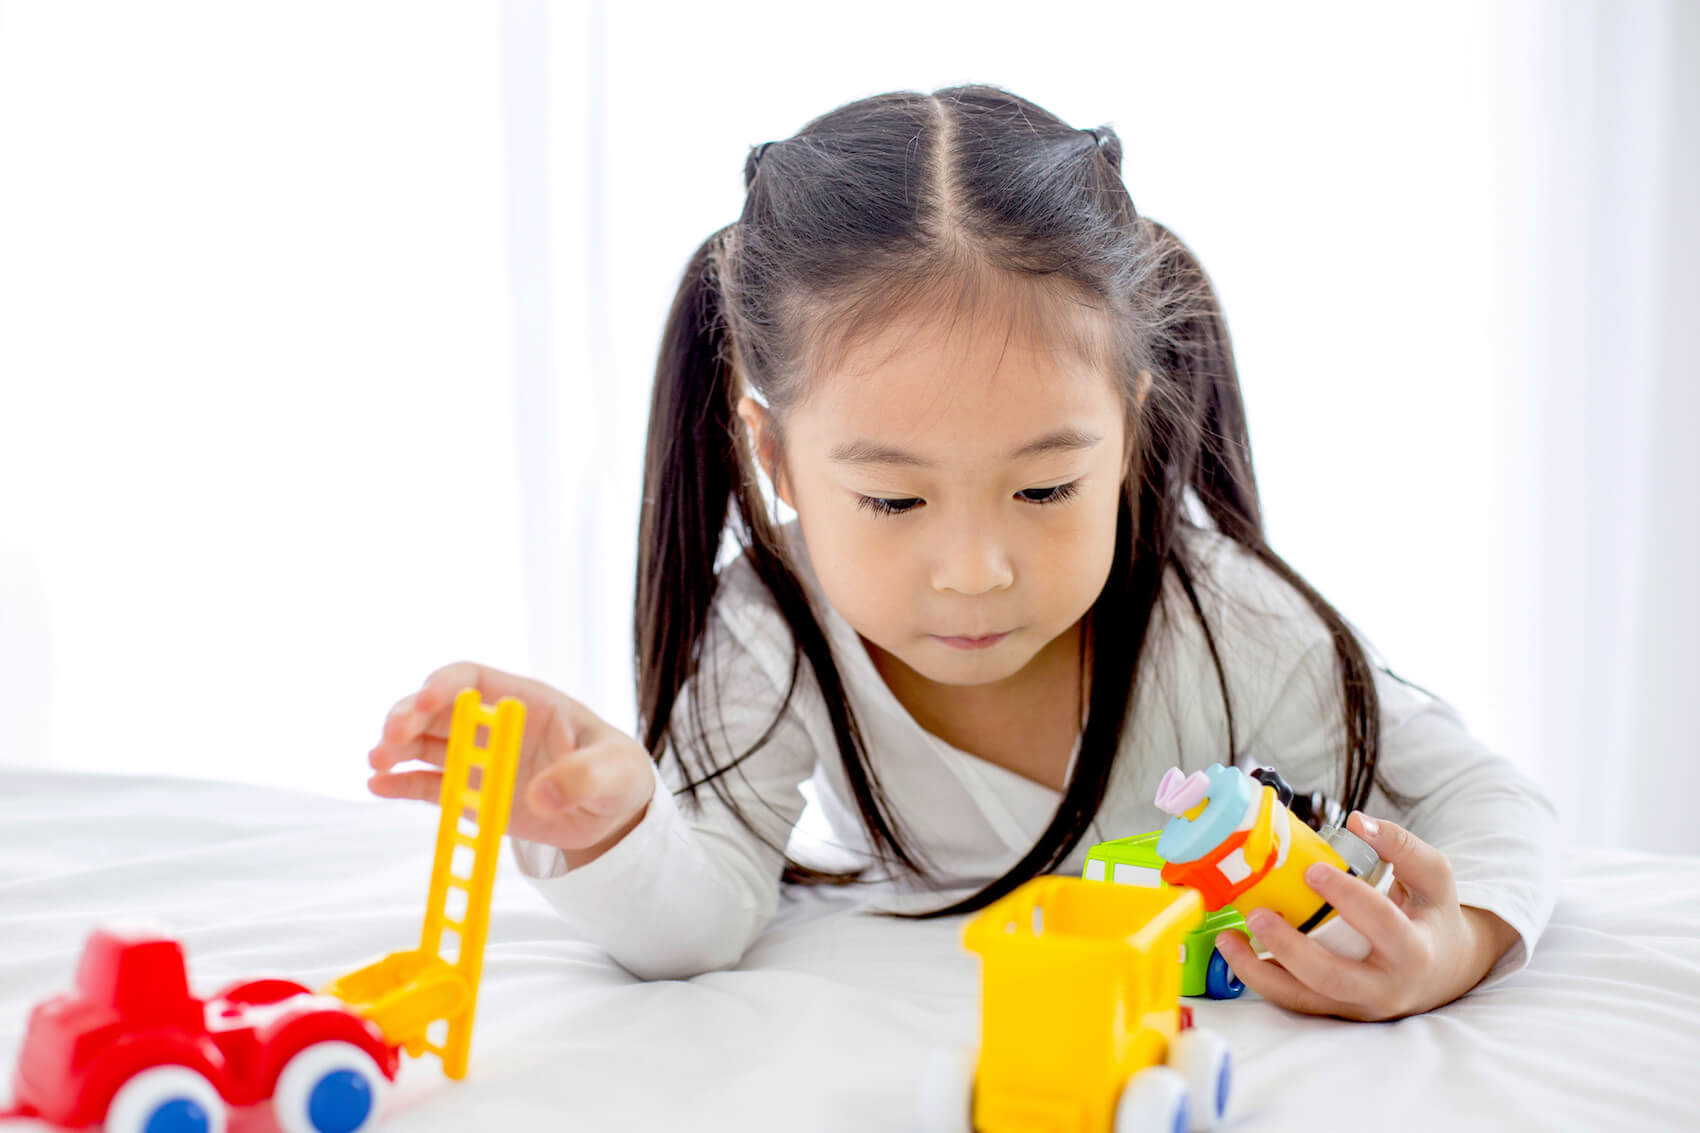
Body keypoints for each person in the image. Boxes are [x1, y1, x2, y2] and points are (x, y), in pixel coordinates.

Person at [366, 84, 1558, 1021]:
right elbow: (703, 917)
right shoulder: (771, 625)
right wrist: (612, 818)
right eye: (891, 500)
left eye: (1044, 485)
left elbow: (1484, 797)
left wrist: (1456, 944)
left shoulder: (1224, 620)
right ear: (775, 458)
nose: (975, 568)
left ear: (1130, 426)